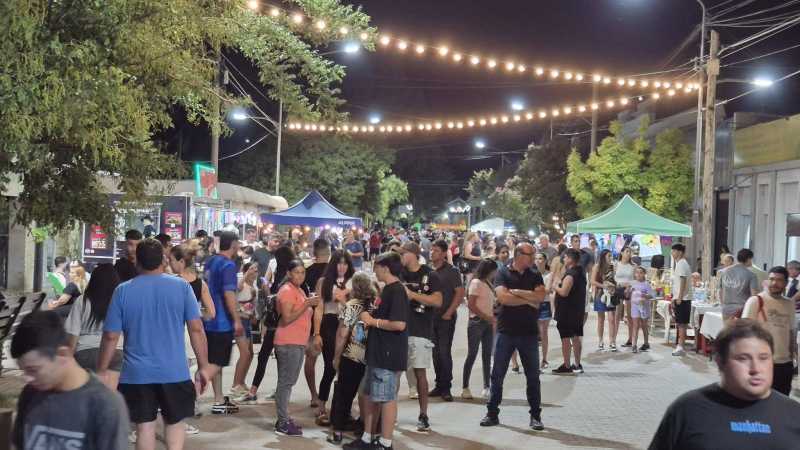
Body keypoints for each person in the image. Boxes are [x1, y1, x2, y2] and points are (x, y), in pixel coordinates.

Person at [98, 238, 212, 450]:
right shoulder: (182, 287)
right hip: (174, 372)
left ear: (137, 262)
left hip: (136, 374)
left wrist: (102, 369)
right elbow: (197, 329)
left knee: (144, 428)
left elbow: (110, 336)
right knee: (175, 424)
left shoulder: (123, 291)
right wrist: (203, 367)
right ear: (163, 260)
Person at [649, 320, 800, 450]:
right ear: (720, 362)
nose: (756, 369)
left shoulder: (794, 414)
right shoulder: (687, 410)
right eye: (743, 358)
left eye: (763, 358)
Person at [11, 311, 130, 450]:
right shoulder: (30, 394)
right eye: (23, 371)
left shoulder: (105, 405)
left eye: (33, 370)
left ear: (63, 354)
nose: (27, 378)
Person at [343, 252, 408, 450]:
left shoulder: (397, 291)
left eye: (376, 267)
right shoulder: (387, 290)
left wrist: (373, 321)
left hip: (387, 354)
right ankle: (367, 438)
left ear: (386, 268)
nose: (374, 271)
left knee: (386, 398)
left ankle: (385, 443)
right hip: (377, 353)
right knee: (372, 397)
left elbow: (399, 324)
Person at [480, 243, 546, 430]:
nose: (533, 258)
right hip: (506, 331)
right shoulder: (502, 273)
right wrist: (529, 299)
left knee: (533, 377)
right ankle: (492, 413)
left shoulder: (535, 274)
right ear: (518, 255)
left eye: (533, 254)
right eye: (529, 254)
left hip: (529, 333)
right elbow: (503, 298)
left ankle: (535, 416)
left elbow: (540, 297)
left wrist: (517, 293)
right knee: (497, 375)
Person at [243, 245, 297, 403]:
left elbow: (266, 283)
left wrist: (267, 288)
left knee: (265, 354)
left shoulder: (280, 270)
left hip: (274, 319)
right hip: (283, 321)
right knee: (279, 356)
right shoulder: (291, 273)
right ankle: (278, 391)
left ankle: (254, 390)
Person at [273, 259, 320, 436]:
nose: (300, 276)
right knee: (285, 383)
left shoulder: (298, 290)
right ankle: (282, 423)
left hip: (297, 342)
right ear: (289, 273)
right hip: (288, 342)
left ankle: (283, 418)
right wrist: (306, 304)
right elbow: (287, 318)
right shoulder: (287, 291)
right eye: (296, 272)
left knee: (288, 382)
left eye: (303, 272)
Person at [398, 241, 442, 430]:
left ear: (413, 254)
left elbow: (437, 301)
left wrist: (413, 295)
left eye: (403, 253)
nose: (401, 257)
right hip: (398, 330)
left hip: (420, 330)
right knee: (394, 373)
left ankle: (423, 415)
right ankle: (389, 414)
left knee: (420, 373)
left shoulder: (430, 274)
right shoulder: (398, 273)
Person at [328, 271, 375, 444]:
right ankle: (366, 430)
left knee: (344, 395)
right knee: (368, 395)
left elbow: (343, 333)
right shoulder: (374, 306)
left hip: (352, 356)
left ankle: (337, 432)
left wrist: (336, 357)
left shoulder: (351, 306)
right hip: (371, 357)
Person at [203, 231, 245, 414]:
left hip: (208, 319)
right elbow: (229, 294)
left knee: (214, 361)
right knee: (217, 363)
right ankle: (191, 392)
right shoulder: (228, 265)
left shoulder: (210, 261)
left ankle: (218, 399)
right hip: (222, 322)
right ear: (234, 245)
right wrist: (237, 320)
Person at [312, 249, 355, 424]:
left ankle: (344, 409)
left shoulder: (354, 281)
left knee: (348, 369)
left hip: (348, 323)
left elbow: (358, 307)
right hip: (329, 324)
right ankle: (321, 406)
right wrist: (316, 334)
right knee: (330, 366)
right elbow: (319, 309)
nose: (342, 267)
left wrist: (344, 298)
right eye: (339, 263)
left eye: (345, 263)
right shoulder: (324, 281)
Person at [64, 263, 123, 389]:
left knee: (86, 393)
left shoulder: (82, 301)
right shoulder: (121, 301)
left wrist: (69, 361)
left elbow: (73, 336)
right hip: (116, 352)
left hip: (85, 353)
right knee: (110, 394)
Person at [741, 266, 796, 395]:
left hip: (784, 364)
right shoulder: (755, 301)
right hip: (761, 363)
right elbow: (742, 332)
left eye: (779, 280)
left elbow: (791, 332)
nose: (774, 283)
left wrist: (793, 360)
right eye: (771, 279)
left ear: (786, 283)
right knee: (758, 401)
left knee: (781, 401)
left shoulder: (789, 304)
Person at [429, 239, 464, 401]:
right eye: (431, 249)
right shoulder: (429, 271)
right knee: (435, 353)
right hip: (432, 317)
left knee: (444, 352)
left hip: (446, 318)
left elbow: (460, 293)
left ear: (444, 253)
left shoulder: (452, 271)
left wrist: (449, 312)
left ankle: (446, 387)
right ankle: (439, 384)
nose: (432, 252)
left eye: (436, 250)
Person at [301, 238, 332, 409]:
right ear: (328, 252)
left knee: (311, 358)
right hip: (331, 319)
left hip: (311, 319)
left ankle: (314, 395)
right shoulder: (333, 272)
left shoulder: (305, 272)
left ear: (314, 253)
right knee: (332, 361)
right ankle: (328, 396)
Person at [462, 259, 496, 400]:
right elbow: (471, 305)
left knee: (487, 355)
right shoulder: (476, 283)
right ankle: (465, 387)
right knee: (472, 354)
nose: (495, 274)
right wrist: (485, 316)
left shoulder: (488, 283)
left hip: (488, 323)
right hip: (476, 322)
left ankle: (487, 386)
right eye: (494, 271)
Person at [552, 248, 588, 374]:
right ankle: (577, 364)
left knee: (566, 338)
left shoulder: (571, 274)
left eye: (565, 257)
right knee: (576, 337)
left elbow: (564, 292)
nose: (564, 259)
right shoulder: (581, 273)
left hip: (567, 312)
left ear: (571, 259)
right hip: (577, 311)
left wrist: (555, 286)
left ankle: (567, 365)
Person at [229, 261, 258, 399]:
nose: (254, 271)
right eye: (252, 269)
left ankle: (241, 381)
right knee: (245, 353)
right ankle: (235, 385)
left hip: (248, 320)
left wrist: (254, 316)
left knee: (250, 353)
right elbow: (237, 290)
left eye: (256, 269)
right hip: (239, 320)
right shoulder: (241, 282)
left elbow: (253, 304)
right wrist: (245, 274)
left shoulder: (255, 285)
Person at [170, 244, 216, 321]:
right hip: (192, 326)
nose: (169, 263)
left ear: (181, 261)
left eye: (171, 260)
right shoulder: (201, 284)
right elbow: (211, 313)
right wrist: (195, 315)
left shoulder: (171, 282)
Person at [719, 248, 760, 321]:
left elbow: (720, 291)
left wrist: (723, 305)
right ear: (749, 259)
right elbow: (754, 296)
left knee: (727, 328)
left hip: (726, 309)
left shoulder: (724, 272)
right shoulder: (751, 275)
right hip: (742, 311)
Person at [591, 250, 618, 351]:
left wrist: (614, 286)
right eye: (609, 256)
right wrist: (604, 286)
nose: (611, 258)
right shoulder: (597, 267)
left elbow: (615, 280)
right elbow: (592, 281)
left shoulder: (612, 266)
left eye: (611, 256)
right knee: (601, 319)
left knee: (612, 318)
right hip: (600, 294)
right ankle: (600, 340)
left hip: (611, 294)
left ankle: (612, 341)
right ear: (603, 257)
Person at [670, 243, 693, 357]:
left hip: (683, 299)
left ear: (680, 252)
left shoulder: (682, 264)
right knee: (680, 323)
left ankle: (681, 347)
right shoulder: (679, 263)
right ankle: (680, 345)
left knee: (682, 324)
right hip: (681, 298)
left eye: (674, 251)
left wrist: (679, 297)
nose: (672, 253)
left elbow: (683, 280)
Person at [534, 252, 554, 369]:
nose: (538, 261)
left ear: (545, 261)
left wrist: (535, 291)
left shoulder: (549, 274)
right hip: (533, 304)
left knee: (543, 333)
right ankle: (535, 359)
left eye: (540, 258)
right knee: (534, 334)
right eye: (536, 258)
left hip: (544, 304)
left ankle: (544, 359)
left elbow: (547, 289)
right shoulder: (531, 273)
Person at [630, 266, 654, 352]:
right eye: (637, 272)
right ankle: (634, 345)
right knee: (635, 325)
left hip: (644, 307)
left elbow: (651, 295)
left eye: (641, 272)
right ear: (635, 274)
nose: (639, 274)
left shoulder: (647, 284)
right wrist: (628, 291)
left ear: (644, 274)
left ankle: (646, 343)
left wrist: (644, 295)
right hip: (635, 307)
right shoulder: (632, 283)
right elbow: (628, 294)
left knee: (644, 325)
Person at [615, 247, 636, 348]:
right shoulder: (616, 264)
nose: (628, 253)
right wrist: (619, 285)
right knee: (617, 315)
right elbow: (613, 278)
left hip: (629, 290)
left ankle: (630, 339)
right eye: (627, 251)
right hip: (618, 289)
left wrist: (629, 287)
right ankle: (613, 339)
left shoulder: (633, 266)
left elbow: (635, 280)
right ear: (622, 253)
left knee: (629, 316)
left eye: (630, 252)